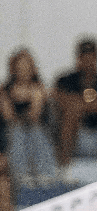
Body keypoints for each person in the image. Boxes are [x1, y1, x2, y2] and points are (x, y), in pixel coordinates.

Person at [1, 49, 58, 183]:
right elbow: (9, 118)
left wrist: (35, 97)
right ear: (13, 69)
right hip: (12, 132)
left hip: (38, 130)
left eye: (27, 66)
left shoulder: (39, 89)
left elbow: (35, 117)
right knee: (18, 132)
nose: (24, 70)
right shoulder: (5, 91)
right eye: (20, 67)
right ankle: (20, 173)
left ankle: (45, 172)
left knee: (35, 131)